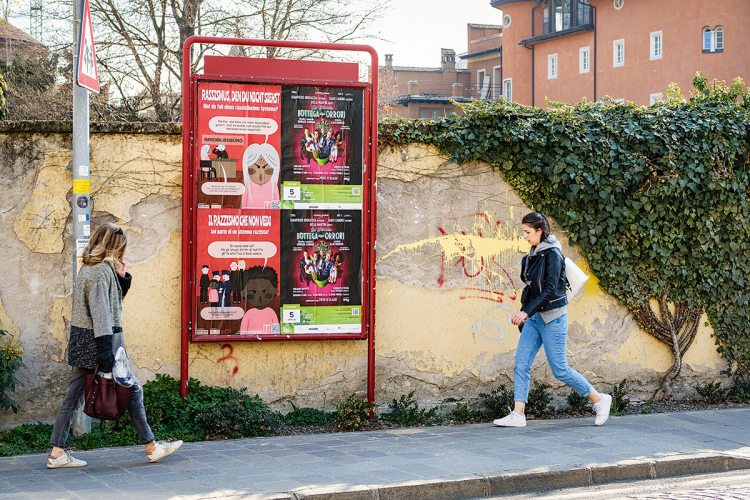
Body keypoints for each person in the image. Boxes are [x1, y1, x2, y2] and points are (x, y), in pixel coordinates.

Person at [47, 223, 182, 469]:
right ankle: (151, 447)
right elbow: (100, 313)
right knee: (125, 391)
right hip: (99, 343)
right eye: (120, 247)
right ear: (112, 246)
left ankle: (58, 452)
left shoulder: (97, 269)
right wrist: (106, 353)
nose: (122, 251)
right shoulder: (98, 271)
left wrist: (122, 277)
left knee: (86, 396)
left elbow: (113, 301)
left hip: (92, 341)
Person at [493, 213, 612, 428]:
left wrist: (525, 312)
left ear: (540, 231)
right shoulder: (534, 253)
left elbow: (550, 290)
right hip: (534, 318)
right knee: (521, 364)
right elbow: (532, 286)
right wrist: (526, 312)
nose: (525, 236)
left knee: (560, 369)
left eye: (528, 232)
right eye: (524, 232)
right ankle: (518, 415)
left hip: (553, 319)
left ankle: (600, 399)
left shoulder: (552, 254)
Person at [241, 143, 280, 209]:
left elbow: (276, 205)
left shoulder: (273, 184)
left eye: (268, 170)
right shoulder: (248, 184)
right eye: (253, 170)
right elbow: (243, 205)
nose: (260, 173)